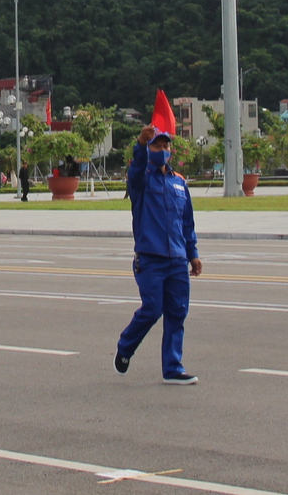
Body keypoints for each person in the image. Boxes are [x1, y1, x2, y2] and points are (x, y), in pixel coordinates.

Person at [115, 126, 199, 384]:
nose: (162, 151)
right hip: (150, 258)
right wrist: (140, 144)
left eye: (166, 147)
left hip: (176, 259)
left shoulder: (179, 183)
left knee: (177, 312)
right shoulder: (141, 181)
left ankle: (173, 368)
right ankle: (126, 345)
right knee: (152, 309)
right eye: (156, 146)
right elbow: (137, 166)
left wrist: (192, 253)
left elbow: (187, 222)